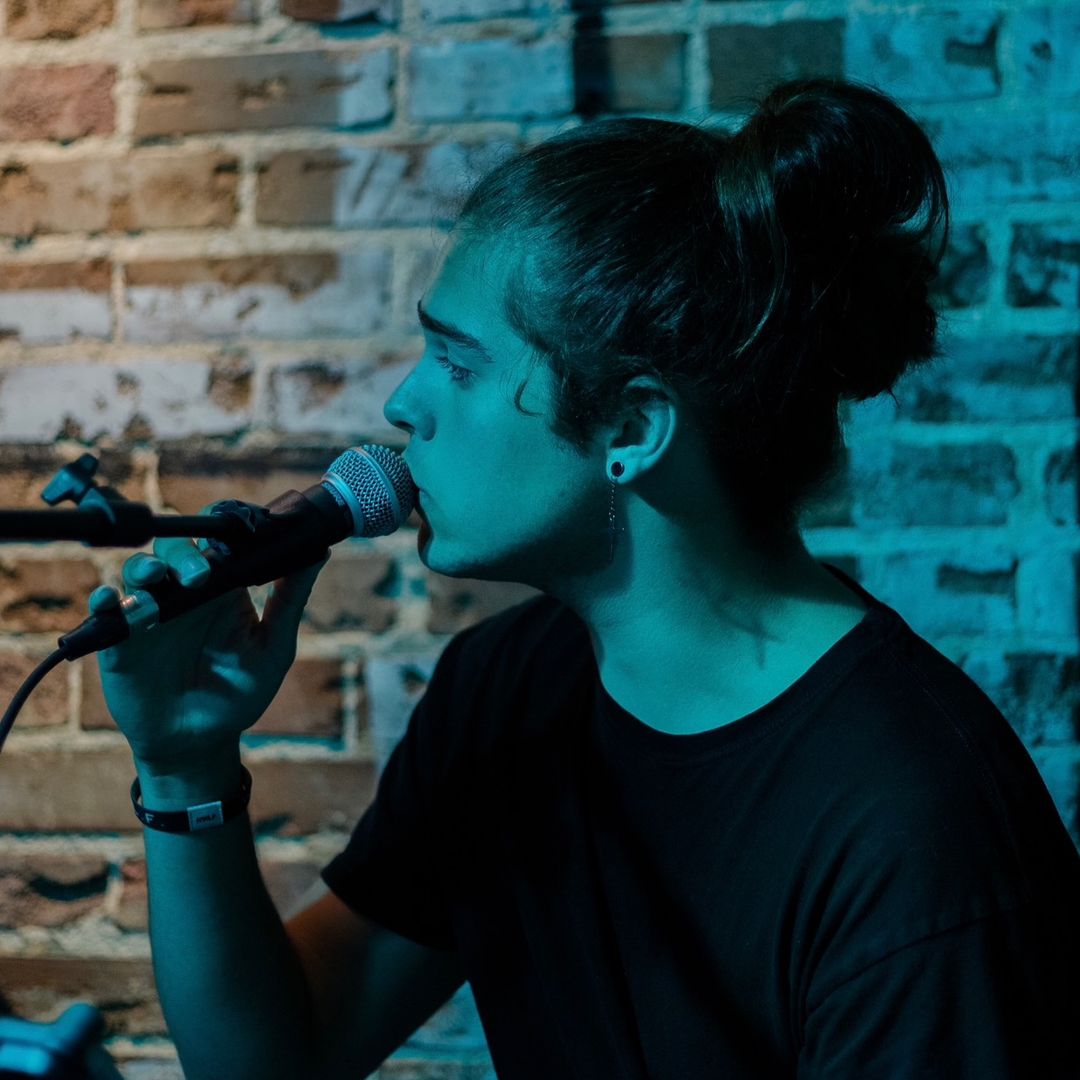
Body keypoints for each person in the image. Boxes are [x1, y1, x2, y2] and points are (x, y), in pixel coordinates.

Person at [89, 75, 1080, 1079]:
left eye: (459, 364)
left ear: (631, 429)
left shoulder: (914, 831)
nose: (404, 404)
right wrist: (185, 770)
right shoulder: (505, 693)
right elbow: (275, 1060)